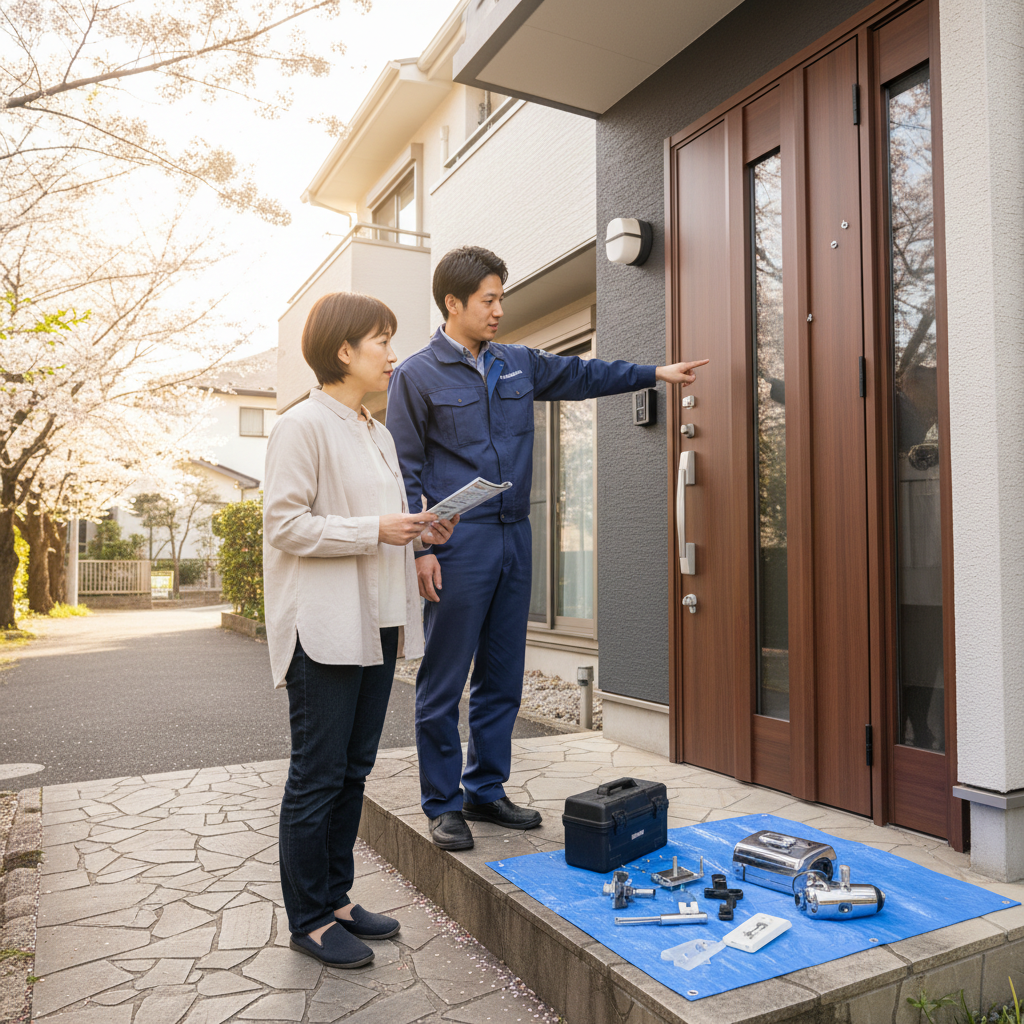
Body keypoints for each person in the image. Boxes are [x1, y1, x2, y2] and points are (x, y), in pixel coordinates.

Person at [386, 246, 708, 850]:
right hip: (457, 541)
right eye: (488, 299)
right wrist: (420, 551)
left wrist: (654, 374)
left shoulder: (516, 363)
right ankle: (442, 802)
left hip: (516, 533)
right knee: (445, 675)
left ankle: (485, 789)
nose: (499, 310)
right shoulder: (415, 375)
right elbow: (404, 467)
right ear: (452, 304)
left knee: (503, 674)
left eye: (501, 297)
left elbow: (584, 377)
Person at [263, 291, 459, 967]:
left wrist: (421, 530)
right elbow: (284, 526)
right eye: (382, 340)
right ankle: (309, 917)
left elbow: (377, 528)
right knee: (317, 775)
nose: (392, 353)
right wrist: (376, 529)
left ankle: (337, 898)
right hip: (321, 629)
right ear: (344, 350)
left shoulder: (375, 432)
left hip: (374, 621)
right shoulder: (301, 427)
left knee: (352, 771)